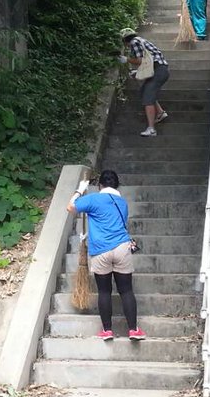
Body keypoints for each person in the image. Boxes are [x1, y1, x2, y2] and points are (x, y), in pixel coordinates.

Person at [66, 170, 144, 341]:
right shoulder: (122, 202)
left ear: (100, 185)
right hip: (122, 247)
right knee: (126, 290)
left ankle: (107, 331)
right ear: (117, 185)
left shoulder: (93, 199)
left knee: (104, 291)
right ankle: (133, 330)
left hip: (101, 250)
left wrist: (80, 190)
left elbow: (71, 206)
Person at [118, 27, 170, 137]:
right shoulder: (141, 41)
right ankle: (160, 113)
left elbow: (140, 60)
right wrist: (138, 71)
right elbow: (148, 61)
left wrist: (126, 59)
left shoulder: (134, 42)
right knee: (144, 92)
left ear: (124, 40)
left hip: (159, 70)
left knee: (148, 96)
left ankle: (151, 129)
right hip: (159, 69)